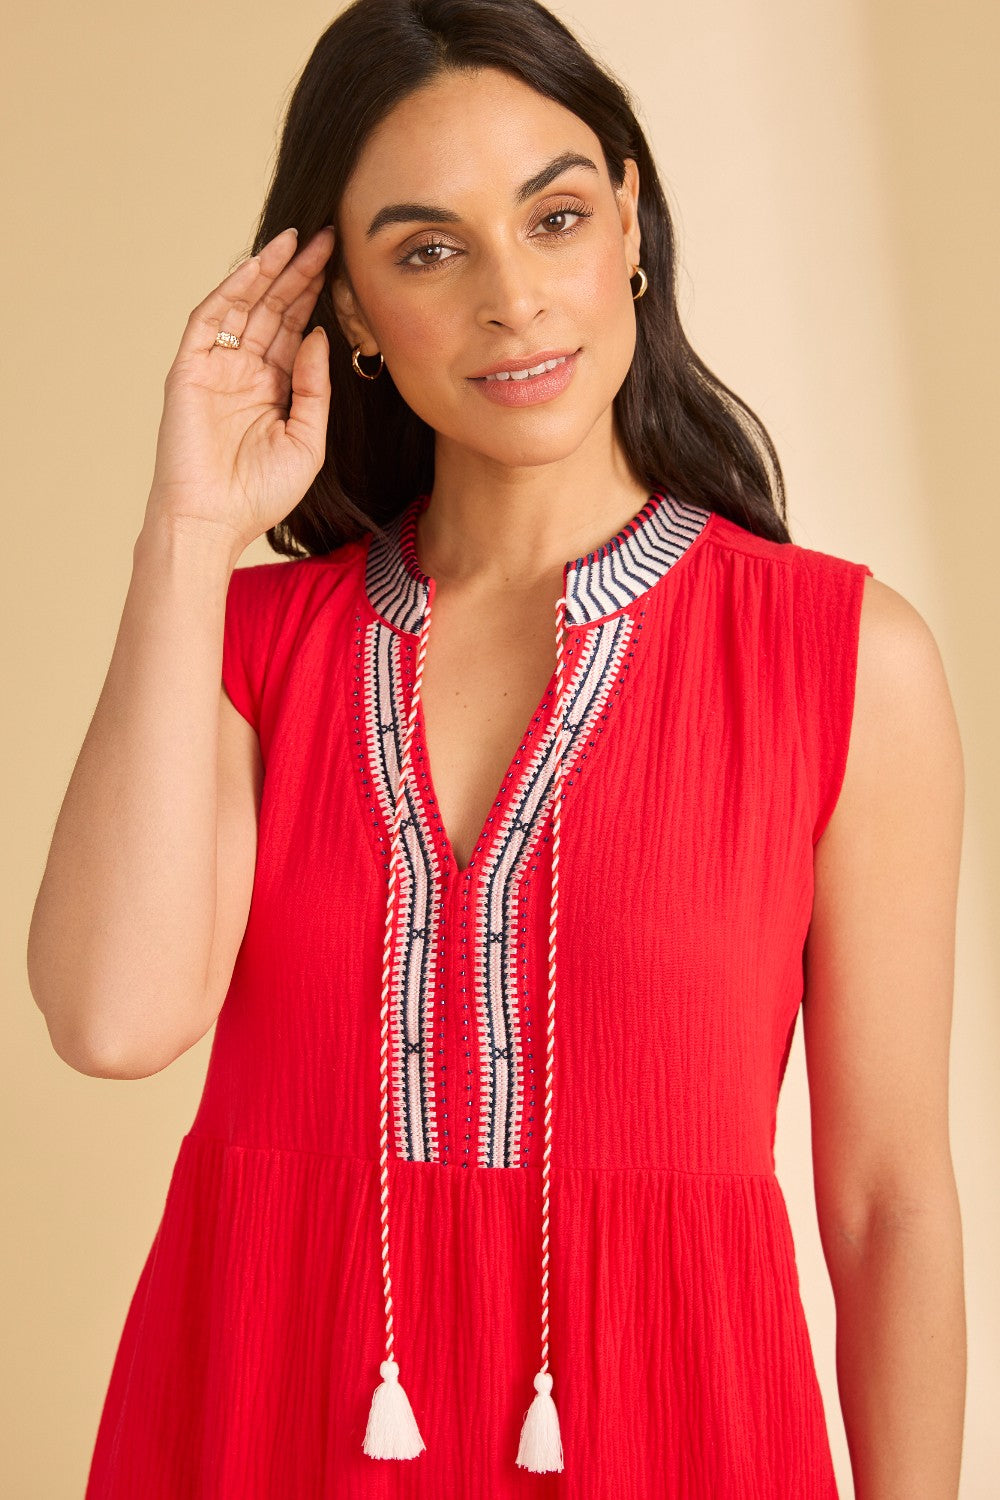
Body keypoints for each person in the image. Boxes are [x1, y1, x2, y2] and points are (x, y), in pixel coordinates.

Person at [26, 0, 966, 1495]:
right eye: (427, 249)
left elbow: (887, 1200)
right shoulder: (248, 644)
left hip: (677, 1432)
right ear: (346, 312)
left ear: (630, 223)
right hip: (267, 1417)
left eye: (555, 215)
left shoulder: (843, 660)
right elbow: (111, 1020)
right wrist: (191, 528)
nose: (514, 298)